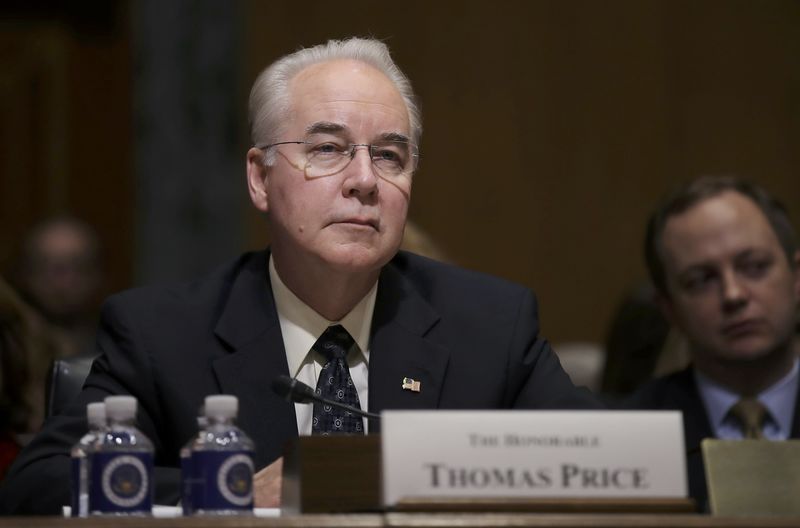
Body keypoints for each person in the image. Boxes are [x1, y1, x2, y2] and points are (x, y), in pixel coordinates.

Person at [0, 37, 598, 515]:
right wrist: (232, 494)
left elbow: (598, 464)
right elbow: (40, 485)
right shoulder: (162, 332)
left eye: (389, 155)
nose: (365, 180)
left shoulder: (489, 326)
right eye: (329, 149)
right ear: (260, 178)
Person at [624, 176, 800, 510]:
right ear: (670, 309)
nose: (733, 295)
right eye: (701, 280)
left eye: (754, 266)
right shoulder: (631, 437)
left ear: (797, 278)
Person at [13, 216, 104, 359]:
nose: (62, 283)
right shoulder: (9, 353)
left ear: (97, 274)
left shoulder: (122, 349)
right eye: (44, 266)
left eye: (78, 266)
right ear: (24, 273)